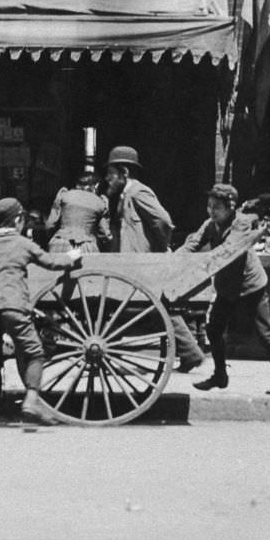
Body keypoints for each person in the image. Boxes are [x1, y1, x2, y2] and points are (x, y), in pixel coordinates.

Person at [0, 197, 81, 430]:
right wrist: (71, 257)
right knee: (35, 353)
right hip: (15, 306)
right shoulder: (22, 244)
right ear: (16, 220)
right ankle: (31, 401)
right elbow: (50, 262)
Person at [180, 183, 270, 396]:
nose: (211, 211)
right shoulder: (210, 225)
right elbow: (193, 243)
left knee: (265, 334)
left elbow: (228, 250)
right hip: (227, 287)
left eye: (217, 207)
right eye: (209, 206)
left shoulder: (241, 224)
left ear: (230, 208)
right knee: (213, 329)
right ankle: (220, 375)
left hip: (250, 286)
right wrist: (173, 260)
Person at [104, 145, 206, 373]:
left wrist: (158, 251)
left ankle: (189, 353)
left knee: (155, 307)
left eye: (111, 174)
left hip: (142, 265)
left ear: (125, 173)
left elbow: (163, 221)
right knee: (154, 307)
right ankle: (190, 353)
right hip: (131, 265)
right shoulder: (124, 196)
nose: (107, 179)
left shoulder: (138, 192)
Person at [45, 169, 109, 254]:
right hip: (86, 247)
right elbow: (105, 234)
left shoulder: (64, 195)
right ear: (96, 186)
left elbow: (50, 225)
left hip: (60, 243)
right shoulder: (101, 202)